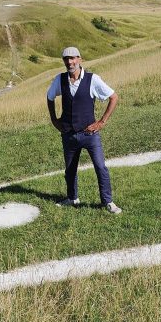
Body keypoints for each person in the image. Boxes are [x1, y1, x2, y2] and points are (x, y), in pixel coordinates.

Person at [46, 46, 122, 214]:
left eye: (73, 58)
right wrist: (54, 119)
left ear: (80, 59)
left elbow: (113, 97)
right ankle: (72, 198)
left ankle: (108, 202)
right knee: (70, 169)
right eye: (66, 59)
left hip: (90, 134)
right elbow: (50, 97)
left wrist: (101, 122)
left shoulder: (92, 79)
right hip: (69, 134)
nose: (69, 62)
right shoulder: (60, 80)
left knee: (100, 167)